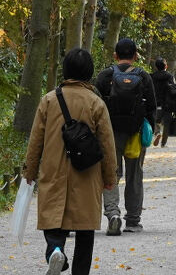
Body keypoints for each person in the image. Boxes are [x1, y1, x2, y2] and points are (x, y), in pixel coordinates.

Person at [24, 47, 117, 275]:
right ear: (89, 72)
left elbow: (36, 141)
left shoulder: (48, 101)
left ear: (65, 70)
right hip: (87, 175)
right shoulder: (97, 103)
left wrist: (29, 172)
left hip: (53, 172)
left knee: (53, 224)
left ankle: (56, 251)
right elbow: (107, 144)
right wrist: (109, 177)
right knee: (85, 234)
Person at [96, 38, 157, 234]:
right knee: (134, 175)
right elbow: (151, 108)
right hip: (136, 134)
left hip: (109, 134)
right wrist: (150, 130)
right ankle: (132, 220)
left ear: (115, 55)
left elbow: (96, 106)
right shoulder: (144, 77)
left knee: (110, 174)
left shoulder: (105, 76)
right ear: (135, 56)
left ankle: (113, 213)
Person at [151, 57, 176, 147]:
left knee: (154, 121)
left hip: (156, 103)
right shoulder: (170, 77)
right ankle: (163, 143)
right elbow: (174, 90)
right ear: (166, 66)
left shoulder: (152, 76)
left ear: (156, 67)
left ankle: (157, 133)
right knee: (167, 124)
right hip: (168, 103)